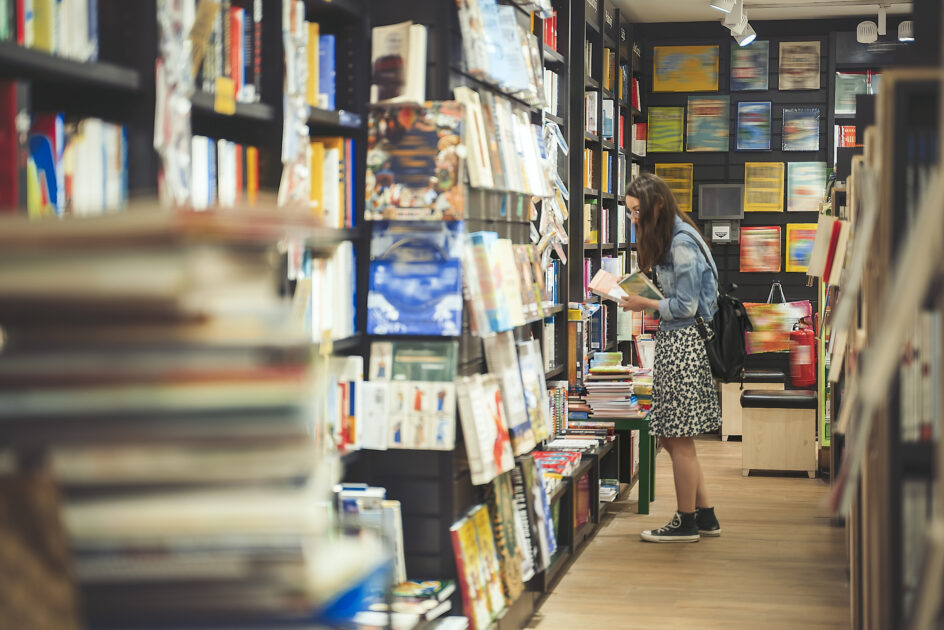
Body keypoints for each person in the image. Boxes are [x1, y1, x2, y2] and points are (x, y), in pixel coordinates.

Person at [620, 173, 722, 543]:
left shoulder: (681, 245)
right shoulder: (673, 236)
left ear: (656, 206)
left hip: (683, 347)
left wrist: (642, 302)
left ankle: (686, 521)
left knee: (677, 438)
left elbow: (685, 306)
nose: (633, 219)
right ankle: (705, 515)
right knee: (670, 435)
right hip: (674, 344)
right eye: (629, 212)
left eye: (636, 212)